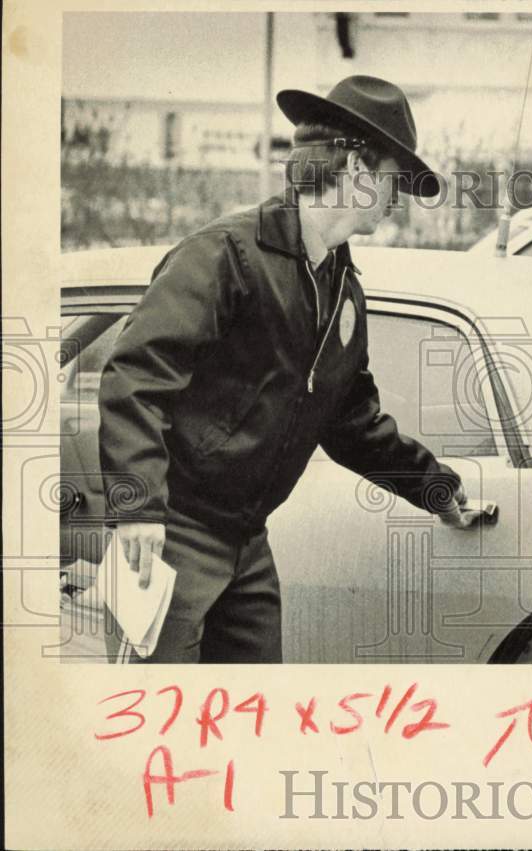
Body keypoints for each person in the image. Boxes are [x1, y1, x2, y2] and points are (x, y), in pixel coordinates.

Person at [99, 75, 479, 663]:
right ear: (355, 171)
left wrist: (432, 486)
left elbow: (350, 418)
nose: (396, 197)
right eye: (393, 179)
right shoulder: (225, 254)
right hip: (175, 532)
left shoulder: (342, 286)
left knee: (254, 717)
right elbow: (135, 376)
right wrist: (137, 508)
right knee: (150, 721)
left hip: (248, 543)